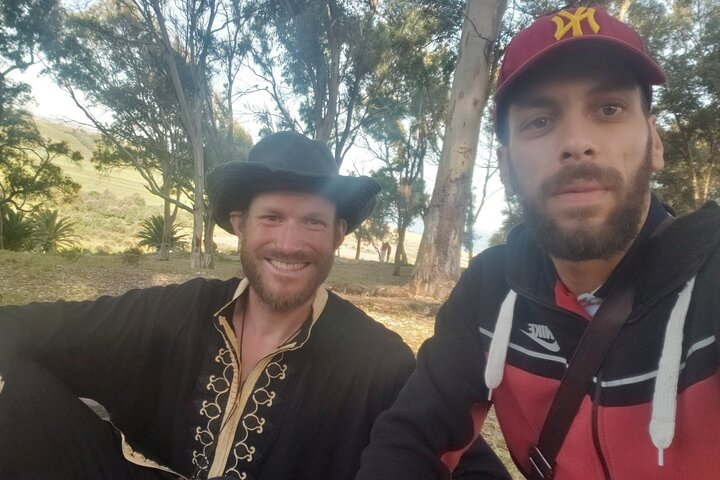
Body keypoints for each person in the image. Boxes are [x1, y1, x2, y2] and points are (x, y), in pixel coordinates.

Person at [0, 131, 506, 480]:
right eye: (272, 218)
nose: (290, 243)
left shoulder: (377, 362)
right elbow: (46, 327)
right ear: (240, 226)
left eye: (312, 222)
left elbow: (460, 456)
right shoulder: (179, 309)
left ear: (337, 235)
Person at [356, 6, 720, 480]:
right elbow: (408, 442)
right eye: (540, 121)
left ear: (654, 141)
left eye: (608, 109)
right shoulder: (490, 289)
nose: (576, 142)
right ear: (505, 169)